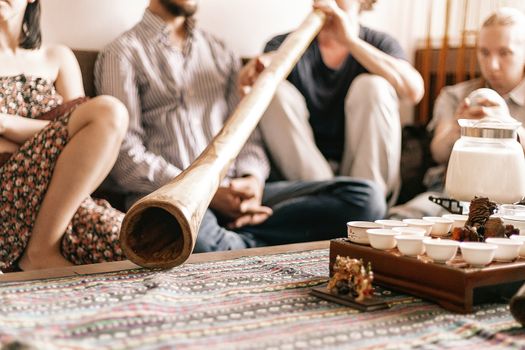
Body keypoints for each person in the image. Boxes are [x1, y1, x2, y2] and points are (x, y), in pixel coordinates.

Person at [95, 0, 386, 252]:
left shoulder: (221, 52)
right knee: (190, 239)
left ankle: (238, 246)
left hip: (236, 193)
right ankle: (255, 247)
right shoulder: (121, 54)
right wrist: (204, 189)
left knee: (366, 200)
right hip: (174, 197)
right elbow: (124, 158)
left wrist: (252, 180)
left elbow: (249, 137)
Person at [240, 0, 424, 204]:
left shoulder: (380, 43)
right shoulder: (281, 44)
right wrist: (257, 74)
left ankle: (366, 201)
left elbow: (413, 92)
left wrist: (350, 41)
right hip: (307, 181)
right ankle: (328, 199)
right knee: (273, 90)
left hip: (365, 179)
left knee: (373, 87)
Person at [0, 0, 130, 272]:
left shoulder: (58, 58)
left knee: (137, 245)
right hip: (8, 194)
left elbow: (91, 142)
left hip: (61, 200)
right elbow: (79, 132)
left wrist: (5, 124)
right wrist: (67, 134)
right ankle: (40, 251)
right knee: (108, 111)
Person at [389, 7, 525, 218]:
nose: (492, 65)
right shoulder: (455, 96)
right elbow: (437, 153)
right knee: (398, 220)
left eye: (505, 53)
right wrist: (457, 127)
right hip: (450, 196)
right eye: (484, 53)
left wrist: (507, 126)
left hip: (514, 203)